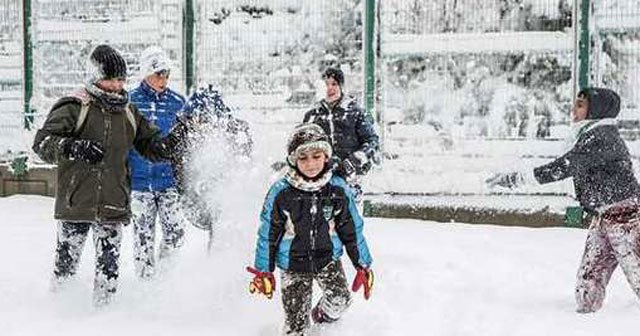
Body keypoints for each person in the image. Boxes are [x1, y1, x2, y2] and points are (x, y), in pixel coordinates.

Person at [32, 44, 180, 306]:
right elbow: (42, 143)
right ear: (94, 78)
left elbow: (149, 142)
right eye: (109, 79)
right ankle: (58, 315)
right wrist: (73, 147)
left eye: (121, 79)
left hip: (113, 203)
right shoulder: (75, 106)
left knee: (109, 274)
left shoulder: (127, 111)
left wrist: (171, 145)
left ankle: (105, 321)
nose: (116, 85)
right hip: (75, 204)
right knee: (66, 269)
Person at [486, 87, 640, 313]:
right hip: (604, 214)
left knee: (635, 267)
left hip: (624, 216)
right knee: (591, 273)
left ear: (595, 110)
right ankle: (584, 316)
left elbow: (564, 167)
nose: (573, 110)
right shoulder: (590, 134)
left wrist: (518, 178)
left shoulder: (603, 137)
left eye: (580, 105)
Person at [247, 123, 374, 335]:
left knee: (341, 300)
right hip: (292, 263)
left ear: (326, 156)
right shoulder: (282, 192)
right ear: (293, 160)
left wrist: (362, 264)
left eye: (317, 156)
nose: (311, 163)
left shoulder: (337, 189)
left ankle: (322, 318)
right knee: (296, 326)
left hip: (327, 259)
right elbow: (268, 234)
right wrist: (263, 270)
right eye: (303, 158)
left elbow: (352, 230)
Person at [168, 85, 253, 251]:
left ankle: (221, 258)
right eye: (195, 119)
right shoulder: (181, 134)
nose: (200, 124)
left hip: (226, 193)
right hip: (195, 197)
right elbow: (178, 169)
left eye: (206, 119)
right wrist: (189, 191)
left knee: (222, 221)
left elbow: (243, 164)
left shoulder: (235, 134)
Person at [128, 46, 186, 279]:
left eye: (166, 74)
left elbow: (185, 142)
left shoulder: (177, 102)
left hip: (168, 182)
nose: (163, 79)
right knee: (143, 236)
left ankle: (165, 277)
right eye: (158, 73)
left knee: (176, 232)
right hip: (139, 183)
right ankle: (146, 283)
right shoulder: (129, 101)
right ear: (145, 74)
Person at [302, 67, 379, 201]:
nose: (330, 88)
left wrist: (355, 160)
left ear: (341, 86)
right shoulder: (313, 116)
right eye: (326, 84)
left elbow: (372, 141)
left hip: (351, 176)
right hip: (322, 176)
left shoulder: (355, 112)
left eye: (334, 84)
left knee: (348, 215)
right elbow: (303, 144)